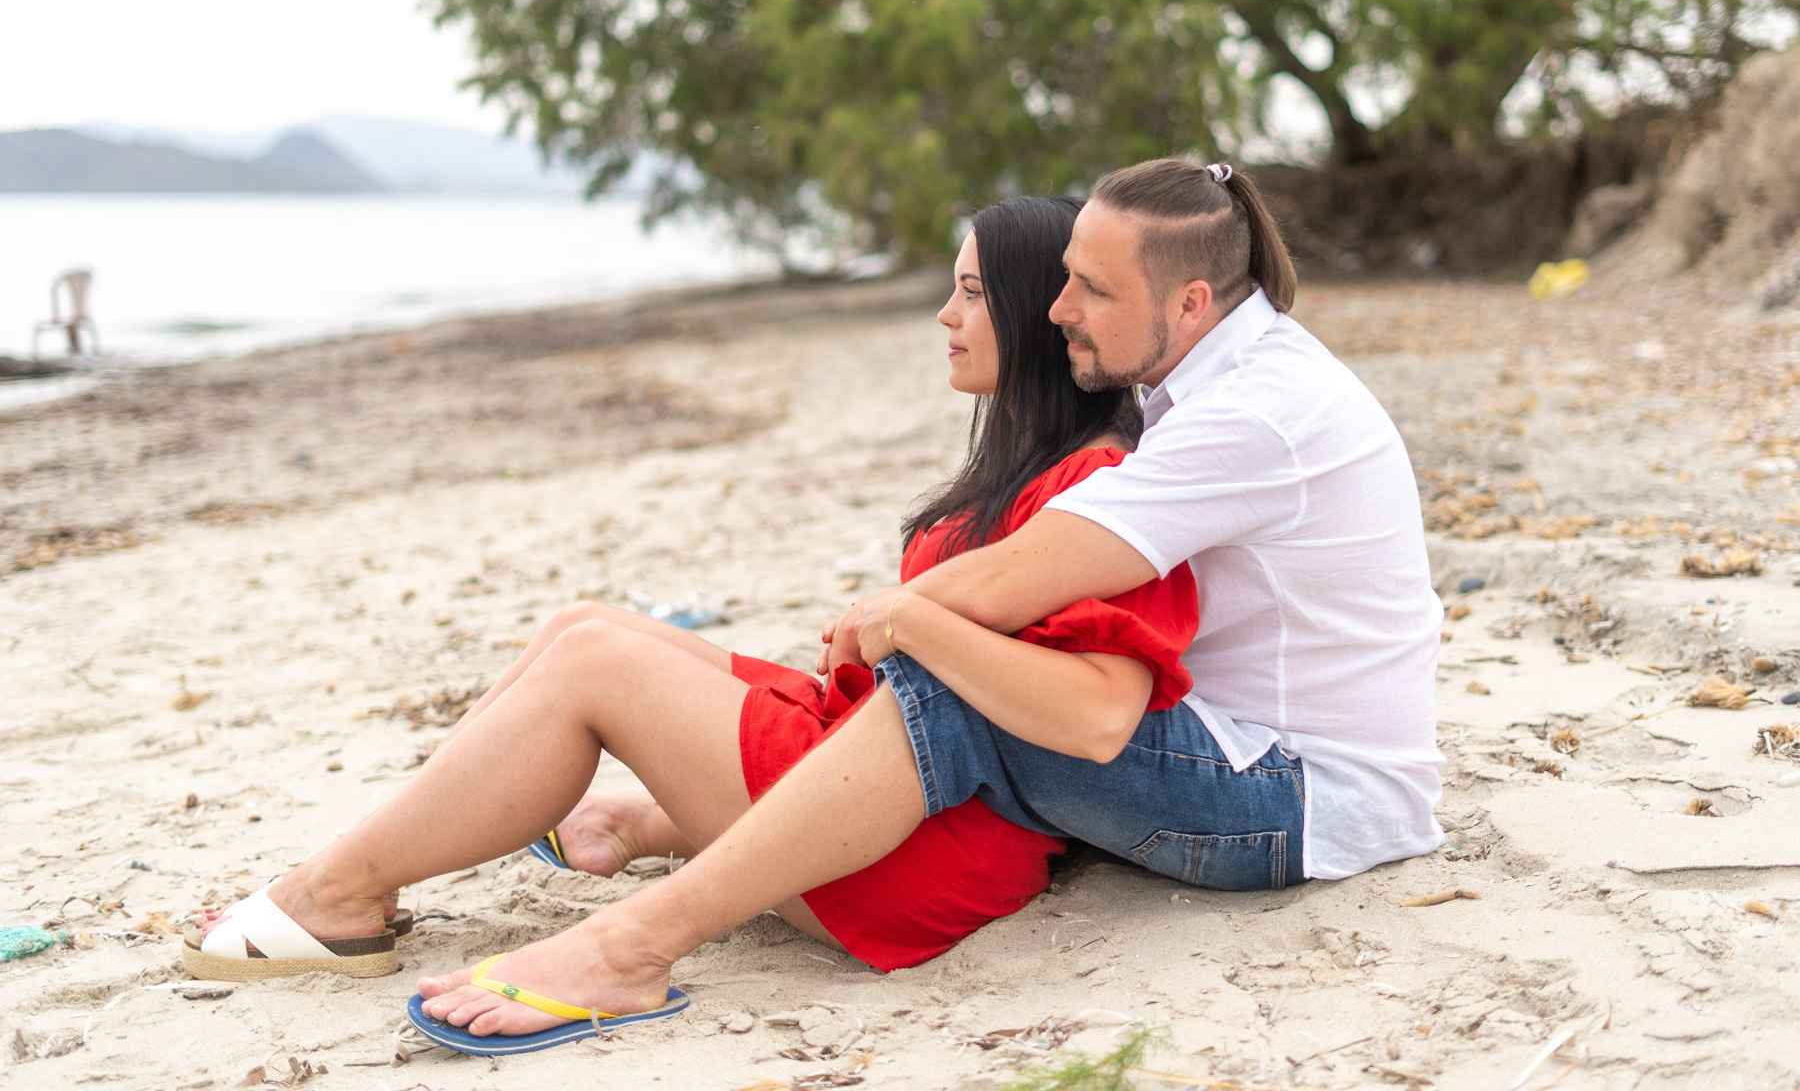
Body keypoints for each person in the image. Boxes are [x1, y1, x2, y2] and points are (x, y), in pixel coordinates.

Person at [183, 195, 1202, 1043]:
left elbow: (1099, 708)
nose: (944, 315)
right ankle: (401, 846)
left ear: (1032, 316)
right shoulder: (1021, 472)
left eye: (973, 294)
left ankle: (341, 892)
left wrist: (911, 622)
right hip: (865, 778)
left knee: (594, 666)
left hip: (915, 850)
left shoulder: (1097, 493)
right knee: (583, 622)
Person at [488, 155, 1441, 1040]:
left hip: (1293, 797)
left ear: (1191, 303)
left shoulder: (1255, 415)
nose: (1059, 308)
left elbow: (1025, 570)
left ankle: (631, 948)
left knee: (958, 683)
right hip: (1241, 749)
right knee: (958, 662)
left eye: (1093, 290)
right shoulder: (1214, 375)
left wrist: (885, 619)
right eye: (1066, 274)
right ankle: (669, 824)